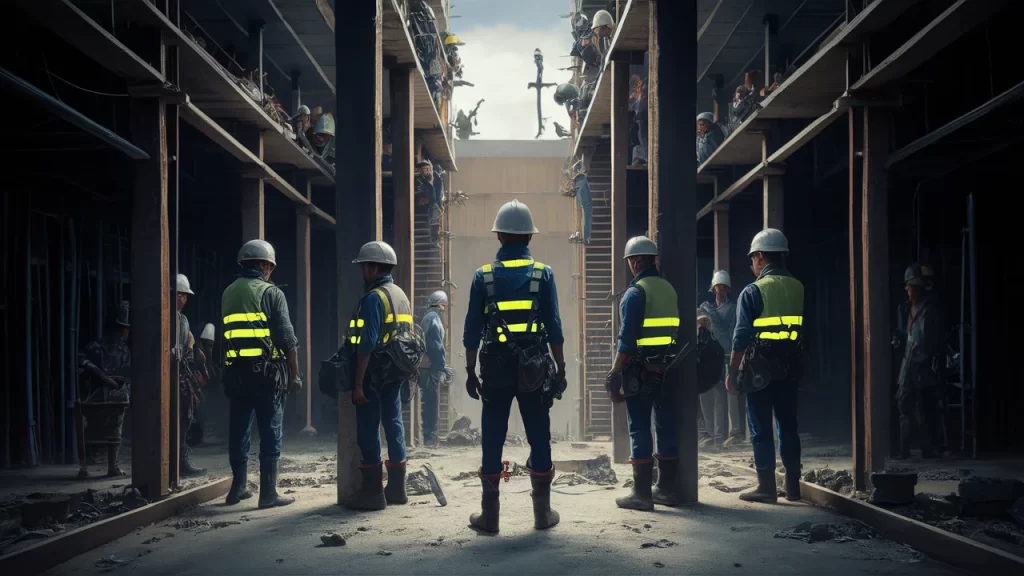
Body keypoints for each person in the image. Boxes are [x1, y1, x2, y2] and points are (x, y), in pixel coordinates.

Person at [464, 200, 566, 533]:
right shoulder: (543, 273)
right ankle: (542, 514)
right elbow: (553, 326)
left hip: (494, 369)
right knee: (539, 434)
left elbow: (471, 331)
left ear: (499, 236)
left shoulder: (484, 276)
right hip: (534, 369)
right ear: (528, 238)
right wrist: (560, 369)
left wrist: (468, 371)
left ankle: (490, 518)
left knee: (492, 435)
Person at [221, 239, 301, 508]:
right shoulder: (272, 293)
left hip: (236, 375)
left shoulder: (228, 292)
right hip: (266, 376)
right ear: (265, 266)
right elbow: (287, 337)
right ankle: (268, 494)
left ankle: (237, 489)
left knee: (239, 430)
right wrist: (295, 373)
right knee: (270, 431)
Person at [726, 229, 804, 503]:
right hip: (790, 366)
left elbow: (741, 335)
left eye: (753, 259)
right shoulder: (797, 286)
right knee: (788, 425)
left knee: (760, 426)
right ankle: (793, 487)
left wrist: (733, 370)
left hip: (760, 369)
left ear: (760, 256)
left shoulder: (753, 290)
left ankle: (766, 487)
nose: (752, 265)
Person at [607, 236, 681, 511]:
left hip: (640, 371)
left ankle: (641, 494)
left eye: (629, 261)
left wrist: (615, 371)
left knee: (639, 427)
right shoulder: (669, 289)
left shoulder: (636, 293)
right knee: (665, 425)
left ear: (636, 260)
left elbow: (626, 340)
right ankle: (666, 489)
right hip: (668, 369)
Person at [344, 241, 415, 511]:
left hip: (374, 374)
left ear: (374, 268)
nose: (363, 273)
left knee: (368, 428)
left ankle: (373, 494)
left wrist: (358, 384)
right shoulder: (400, 295)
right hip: (396, 372)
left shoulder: (374, 298)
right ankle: (397, 489)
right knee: (394, 424)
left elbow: (367, 344)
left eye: (364, 267)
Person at [892, 263, 946, 459]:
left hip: (924, 364)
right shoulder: (904, 309)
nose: (908, 289)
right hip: (908, 362)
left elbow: (936, 339)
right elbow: (902, 334)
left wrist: (935, 361)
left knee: (926, 407)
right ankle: (904, 449)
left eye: (912, 286)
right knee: (903, 403)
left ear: (921, 287)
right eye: (907, 286)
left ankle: (929, 448)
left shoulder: (930, 310)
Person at [76, 300, 131, 478]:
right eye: (125, 328)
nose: (127, 332)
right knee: (92, 432)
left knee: (114, 431)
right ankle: (89, 467)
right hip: (96, 396)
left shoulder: (124, 351)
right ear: (120, 328)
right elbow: (80, 358)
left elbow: (125, 376)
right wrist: (100, 374)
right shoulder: (97, 347)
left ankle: (111, 467)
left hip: (115, 397)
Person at [702, 270, 745, 447]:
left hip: (727, 355)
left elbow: (735, 331)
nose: (722, 290)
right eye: (719, 287)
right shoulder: (707, 308)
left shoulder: (733, 309)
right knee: (714, 393)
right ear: (713, 289)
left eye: (725, 287)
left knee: (731, 392)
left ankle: (734, 433)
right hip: (712, 357)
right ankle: (714, 435)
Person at [174, 273, 205, 477]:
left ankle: (180, 459)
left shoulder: (181, 319)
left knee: (185, 417)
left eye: (186, 296)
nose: (184, 299)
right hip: (172, 374)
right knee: (179, 418)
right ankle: (177, 461)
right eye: (181, 294)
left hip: (181, 374)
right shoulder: (168, 318)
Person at [420, 290, 449, 447]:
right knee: (432, 402)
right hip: (432, 367)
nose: (444, 309)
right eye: (444, 305)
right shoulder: (434, 318)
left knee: (428, 401)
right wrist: (441, 366)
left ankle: (428, 437)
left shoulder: (427, 317)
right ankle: (430, 438)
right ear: (440, 305)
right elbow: (436, 346)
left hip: (426, 366)